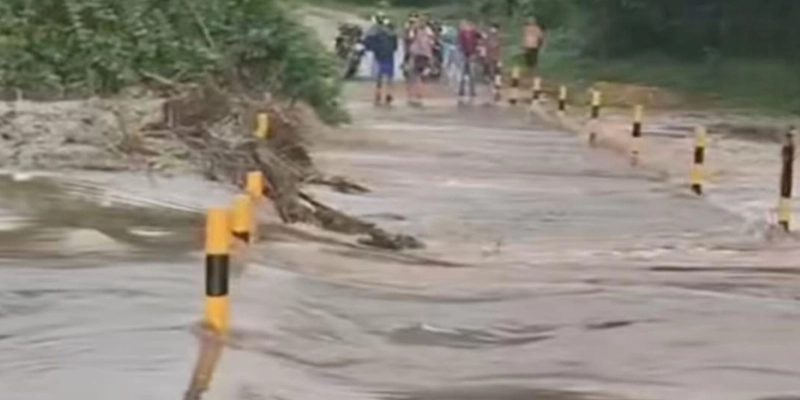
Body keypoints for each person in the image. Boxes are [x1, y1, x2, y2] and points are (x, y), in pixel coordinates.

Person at [363, 19, 398, 105]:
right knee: (389, 76)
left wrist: (374, 50)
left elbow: (368, 42)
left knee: (379, 76)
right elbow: (395, 47)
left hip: (379, 56)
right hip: (389, 55)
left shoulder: (376, 32)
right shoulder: (392, 34)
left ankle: (378, 94)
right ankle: (388, 93)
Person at [406, 17, 434, 106]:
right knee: (420, 75)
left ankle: (413, 94)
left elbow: (409, 39)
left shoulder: (414, 30)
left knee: (414, 74)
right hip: (425, 54)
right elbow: (432, 42)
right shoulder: (428, 30)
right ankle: (419, 93)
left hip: (416, 54)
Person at [456, 19, 480, 104]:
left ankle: (471, 91)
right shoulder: (461, 34)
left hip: (471, 54)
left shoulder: (474, 33)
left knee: (471, 74)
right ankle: (462, 91)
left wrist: (475, 53)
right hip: (464, 55)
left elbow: (477, 42)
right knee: (463, 74)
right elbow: (459, 44)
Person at [482, 22, 502, 101]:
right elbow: (484, 47)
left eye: (494, 28)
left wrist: (499, 59)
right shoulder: (487, 37)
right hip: (489, 58)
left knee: (497, 75)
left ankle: (496, 91)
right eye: (492, 28)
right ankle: (493, 90)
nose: (493, 30)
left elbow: (498, 49)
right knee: (490, 75)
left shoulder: (497, 38)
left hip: (495, 58)